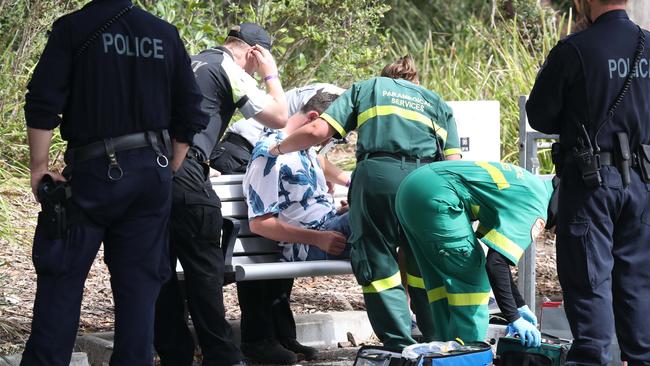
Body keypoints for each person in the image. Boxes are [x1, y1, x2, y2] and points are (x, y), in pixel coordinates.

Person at [21, 1, 208, 365]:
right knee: (140, 290)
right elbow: (191, 111)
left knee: (61, 278)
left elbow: (43, 102)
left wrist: (39, 168)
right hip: (152, 172)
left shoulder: (73, 28)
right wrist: (168, 168)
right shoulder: (164, 34)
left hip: (94, 172)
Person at [263, 55, 462, 351]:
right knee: (422, 261)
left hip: (379, 178)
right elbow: (454, 163)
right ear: (415, 82)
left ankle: (400, 345)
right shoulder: (437, 102)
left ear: (386, 76)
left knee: (378, 259)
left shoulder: (368, 88)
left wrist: (278, 147)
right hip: (426, 183)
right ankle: (437, 342)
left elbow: (318, 132)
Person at [153, 23, 288, 366]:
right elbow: (279, 117)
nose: (256, 71)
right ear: (253, 52)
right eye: (260, 62)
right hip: (185, 177)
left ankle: (176, 356)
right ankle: (223, 357)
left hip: (153, 173)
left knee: (162, 273)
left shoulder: (190, 62)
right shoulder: (227, 67)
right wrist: (271, 75)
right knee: (204, 275)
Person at [526, 0, 650, 364]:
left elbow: (541, 115)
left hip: (592, 183)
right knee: (639, 281)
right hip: (643, 183)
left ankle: (591, 359)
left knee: (589, 278)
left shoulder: (575, 48)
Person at [239, 91, 351, 364]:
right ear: (314, 119)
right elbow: (261, 223)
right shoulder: (271, 153)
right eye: (331, 135)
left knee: (385, 211)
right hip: (310, 245)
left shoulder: (307, 150)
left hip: (329, 226)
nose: (329, 144)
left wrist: (344, 210)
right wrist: (318, 239)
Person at [395, 161, 551, 346]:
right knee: (471, 281)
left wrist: (519, 306)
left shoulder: (531, 183)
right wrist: (514, 318)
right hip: (439, 197)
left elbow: (499, 255)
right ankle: (469, 352)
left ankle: (442, 351)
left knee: (438, 280)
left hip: (410, 188)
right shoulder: (537, 207)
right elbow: (495, 264)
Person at [210, 83, 345, 174]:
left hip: (268, 156)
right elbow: (310, 135)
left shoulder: (347, 106)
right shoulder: (332, 98)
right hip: (243, 148)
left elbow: (316, 152)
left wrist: (321, 176)